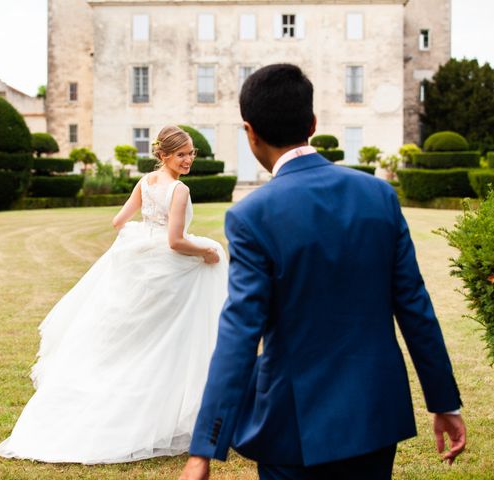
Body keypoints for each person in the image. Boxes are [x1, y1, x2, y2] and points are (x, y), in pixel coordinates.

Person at [180, 64, 466, 480]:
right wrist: (444, 402)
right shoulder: (379, 195)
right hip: (374, 416)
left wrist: (203, 449)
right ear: (313, 124)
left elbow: (240, 332)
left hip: (295, 425)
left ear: (250, 131)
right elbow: (415, 307)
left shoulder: (251, 215)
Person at [0, 125, 228, 464]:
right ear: (164, 155)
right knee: (171, 328)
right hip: (168, 263)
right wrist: (205, 253)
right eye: (182, 154)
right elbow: (176, 242)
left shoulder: (144, 183)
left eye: (191, 153)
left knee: (136, 337)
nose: (189, 159)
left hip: (142, 262)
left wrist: (143, 234)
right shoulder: (178, 190)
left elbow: (120, 221)